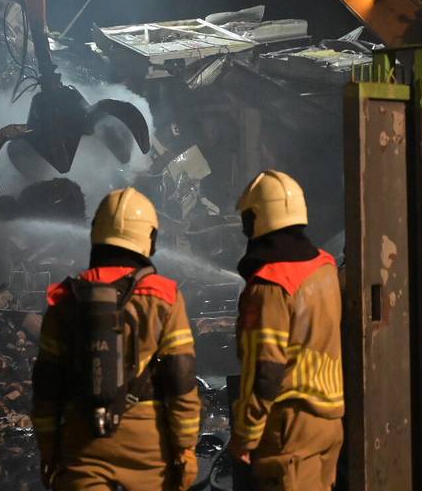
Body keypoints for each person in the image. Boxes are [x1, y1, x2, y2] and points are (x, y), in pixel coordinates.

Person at [32, 187, 201, 490]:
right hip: (148, 449)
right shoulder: (164, 296)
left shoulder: (64, 298)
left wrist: (48, 451)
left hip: (82, 447)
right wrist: (185, 448)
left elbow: (46, 386)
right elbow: (181, 378)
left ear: (96, 233)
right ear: (149, 238)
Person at [229, 170, 344, 490]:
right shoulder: (324, 268)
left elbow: (265, 371)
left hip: (288, 430)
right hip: (329, 423)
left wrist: (244, 436)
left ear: (256, 220)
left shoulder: (270, 287)